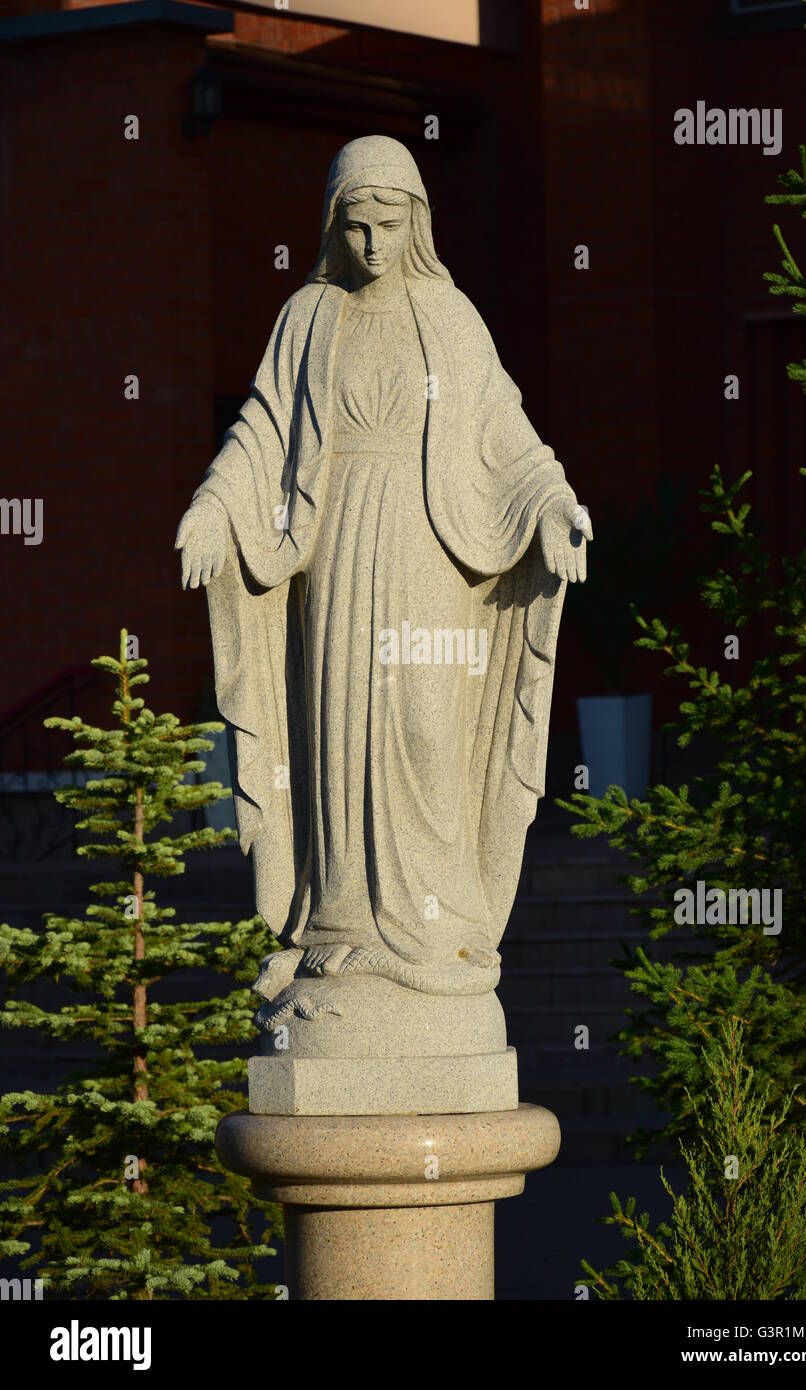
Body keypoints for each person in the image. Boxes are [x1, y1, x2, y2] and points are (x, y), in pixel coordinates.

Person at [176, 135, 592, 999]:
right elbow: (261, 431)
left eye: (388, 223)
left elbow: (505, 430)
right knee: (338, 734)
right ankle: (340, 923)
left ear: (418, 221)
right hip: (334, 551)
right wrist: (214, 507)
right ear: (334, 224)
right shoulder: (308, 318)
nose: (371, 243)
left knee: (428, 731)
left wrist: (553, 506)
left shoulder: (450, 317)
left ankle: (442, 926)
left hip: (429, 543)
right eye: (356, 225)